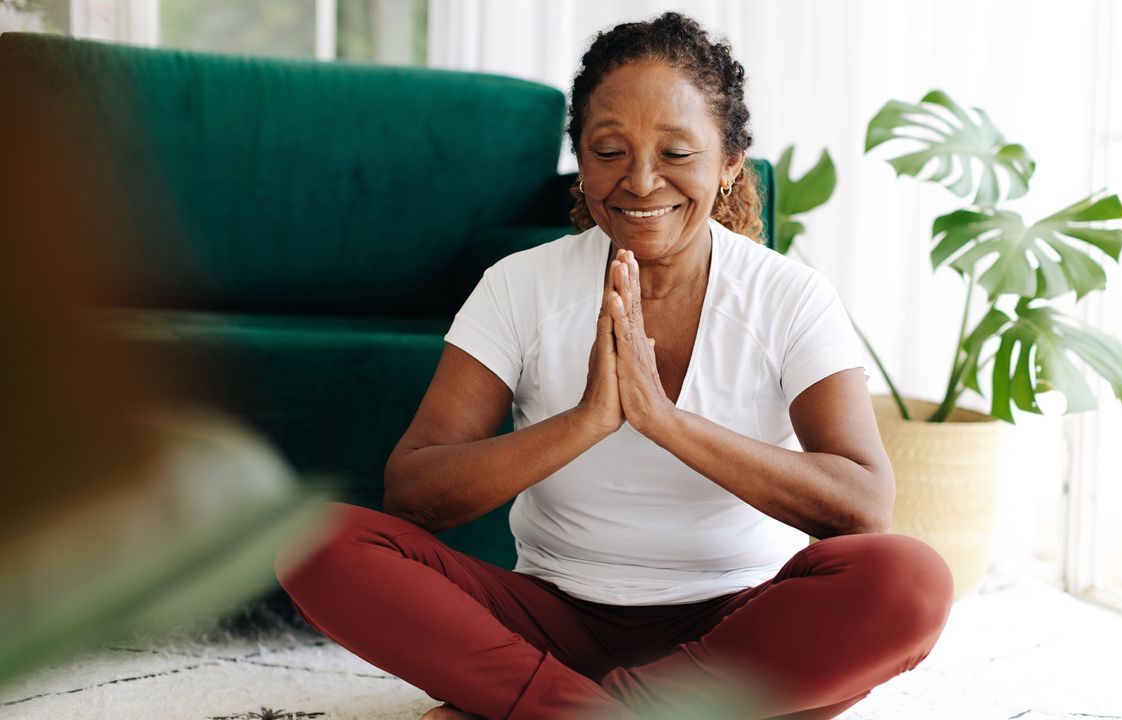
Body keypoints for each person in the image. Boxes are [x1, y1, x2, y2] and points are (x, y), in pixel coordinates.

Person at [275, 11, 953, 720]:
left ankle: (540, 708)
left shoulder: (790, 297)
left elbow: (862, 505)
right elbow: (414, 491)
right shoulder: (520, 284)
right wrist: (588, 420)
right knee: (314, 542)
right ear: (580, 159)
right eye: (609, 150)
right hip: (547, 624)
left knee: (909, 580)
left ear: (729, 163)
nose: (640, 181)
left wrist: (662, 420)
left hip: (735, 631)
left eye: (677, 153)